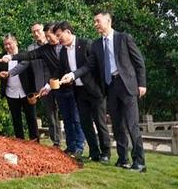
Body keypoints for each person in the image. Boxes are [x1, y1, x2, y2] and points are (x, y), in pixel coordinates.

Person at [61, 11, 147, 172]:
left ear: (108, 21)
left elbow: (138, 61)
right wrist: (72, 75)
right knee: (117, 125)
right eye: (94, 22)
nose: (95, 24)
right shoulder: (95, 45)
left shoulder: (124, 38)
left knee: (132, 124)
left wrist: (142, 84)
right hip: (111, 87)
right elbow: (88, 66)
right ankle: (122, 159)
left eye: (97, 21)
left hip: (127, 85)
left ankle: (139, 162)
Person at [0, 23, 85, 156]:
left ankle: (79, 146)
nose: (49, 39)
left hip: (71, 86)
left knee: (75, 117)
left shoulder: (64, 48)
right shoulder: (44, 49)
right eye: (48, 37)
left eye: (51, 36)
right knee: (66, 118)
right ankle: (70, 146)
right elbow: (29, 55)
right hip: (53, 85)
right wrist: (12, 57)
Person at [54, 21, 111, 163]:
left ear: (68, 32)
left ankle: (106, 153)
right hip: (78, 91)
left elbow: (91, 66)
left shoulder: (86, 44)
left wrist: (73, 75)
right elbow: (60, 71)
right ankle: (94, 152)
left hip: (94, 90)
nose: (58, 39)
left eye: (59, 35)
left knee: (99, 122)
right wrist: (50, 85)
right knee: (85, 123)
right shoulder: (62, 51)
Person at [28, 23, 61, 147]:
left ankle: (74, 144)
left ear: (44, 31)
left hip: (56, 83)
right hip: (41, 86)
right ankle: (56, 142)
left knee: (63, 112)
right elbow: (25, 63)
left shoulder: (53, 45)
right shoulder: (31, 48)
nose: (36, 34)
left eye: (38, 30)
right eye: (33, 32)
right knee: (50, 114)